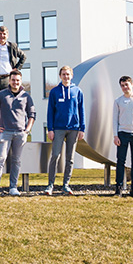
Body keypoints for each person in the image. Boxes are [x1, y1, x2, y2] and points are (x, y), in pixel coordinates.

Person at [0, 69, 35, 196]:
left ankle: (13, 187)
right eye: (13, 80)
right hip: (5, 132)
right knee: (0, 159)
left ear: (20, 81)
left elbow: (32, 114)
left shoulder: (26, 96)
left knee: (16, 161)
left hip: (20, 133)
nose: (15, 82)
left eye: (17, 80)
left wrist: (27, 130)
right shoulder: (2, 94)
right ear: (9, 81)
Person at [45, 65, 85, 196]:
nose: (66, 76)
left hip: (74, 128)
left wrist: (82, 128)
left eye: (68, 74)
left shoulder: (77, 91)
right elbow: (50, 111)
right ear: (60, 76)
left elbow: (81, 110)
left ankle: (66, 185)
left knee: (70, 158)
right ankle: (50, 185)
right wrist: (50, 129)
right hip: (58, 128)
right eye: (63, 74)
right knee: (55, 155)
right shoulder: (54, 92)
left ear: (71, 76)